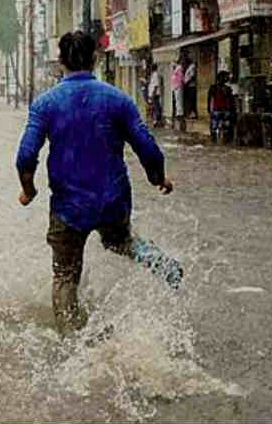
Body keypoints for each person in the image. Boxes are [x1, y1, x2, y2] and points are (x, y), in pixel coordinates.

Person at [16, 31, 181, 337]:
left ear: (61, 61)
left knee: (65, 274)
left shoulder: (45, 104)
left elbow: (26, 155)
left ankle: (70, 342)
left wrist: (29, 190)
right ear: (94, 59)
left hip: (68, 207)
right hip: (113, 200)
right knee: (121, 242)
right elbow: (146, 146)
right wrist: (159, 179)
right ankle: (163, 265)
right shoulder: (118, 99)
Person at [207, 71, 236, 143]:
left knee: (221, 128)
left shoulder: (226, 88)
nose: (227, 78)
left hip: (222, 111)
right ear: (221, 77)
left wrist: (209, 109)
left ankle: (218, 140)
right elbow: (210, 99)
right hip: (220, 111)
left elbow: (230, 101)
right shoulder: (218, 88)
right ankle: (221, 140)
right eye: (226, 77)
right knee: (222, 127)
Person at [147, 63, 163, 128]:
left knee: (156, 107)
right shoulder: (153, 74)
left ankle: (157, 121)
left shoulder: (155, 75)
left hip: (155, 94)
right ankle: (156, 120)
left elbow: (156, 85)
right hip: (153, 93)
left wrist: (153, 93)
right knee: (154, 107)